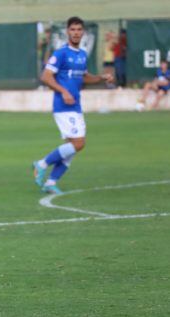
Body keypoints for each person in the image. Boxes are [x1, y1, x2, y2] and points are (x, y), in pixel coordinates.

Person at [32, 17, 113, 195]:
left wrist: (101, 77)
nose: (76, 32)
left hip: (75, 105)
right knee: (79, 143)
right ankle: (42, 164)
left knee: (72, 148)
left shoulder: (82, 54)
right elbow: (45, 77)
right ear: (67, 32)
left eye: (79, 29)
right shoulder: (60, 53)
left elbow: (83, 77)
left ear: (83, 32)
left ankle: (51, 182)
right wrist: (64, 91)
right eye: (73, 29)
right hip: (63, 104)